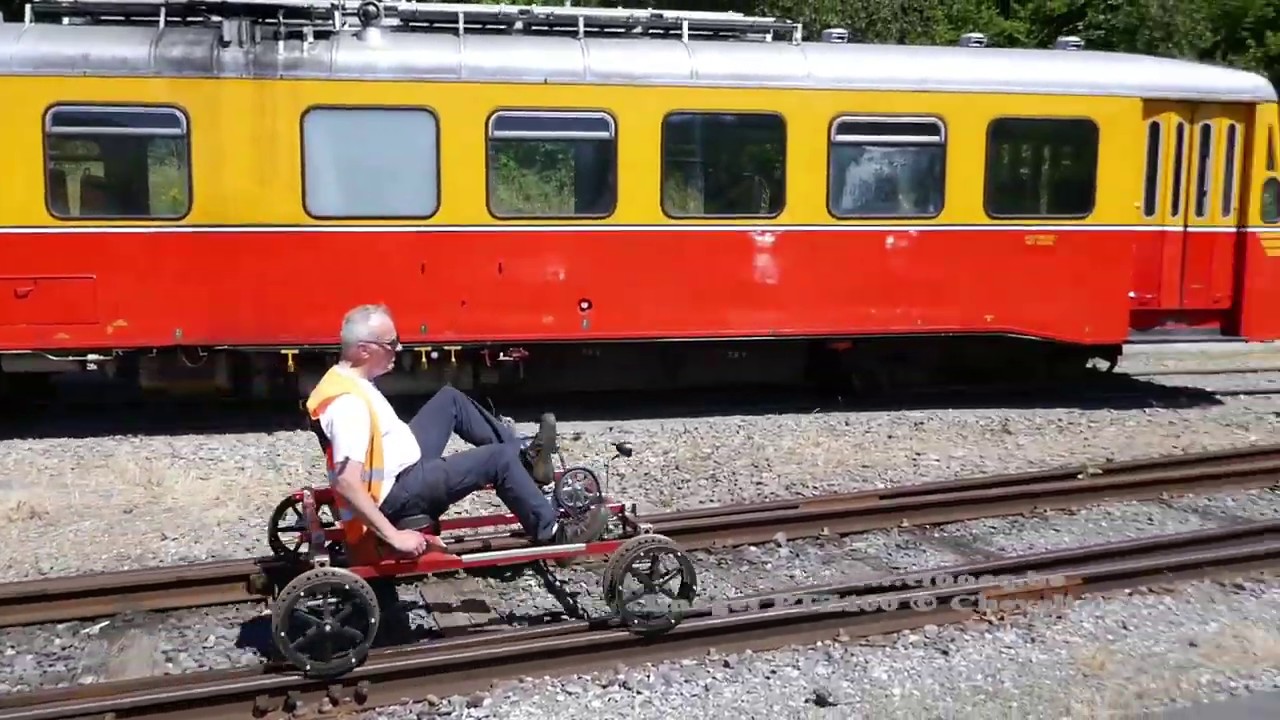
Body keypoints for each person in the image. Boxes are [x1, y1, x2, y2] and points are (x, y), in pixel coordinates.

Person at [305, 303, 593, 558]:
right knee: (497, 459)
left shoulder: (345, 378)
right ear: (364, 349)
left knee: (449, 401)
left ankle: (528, 462)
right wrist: (394, 537)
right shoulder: (348, 405)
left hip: (400, 465)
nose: (399, 348)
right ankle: (555, 535)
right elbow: (346, 482)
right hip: (396, 494)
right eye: (391, 343)